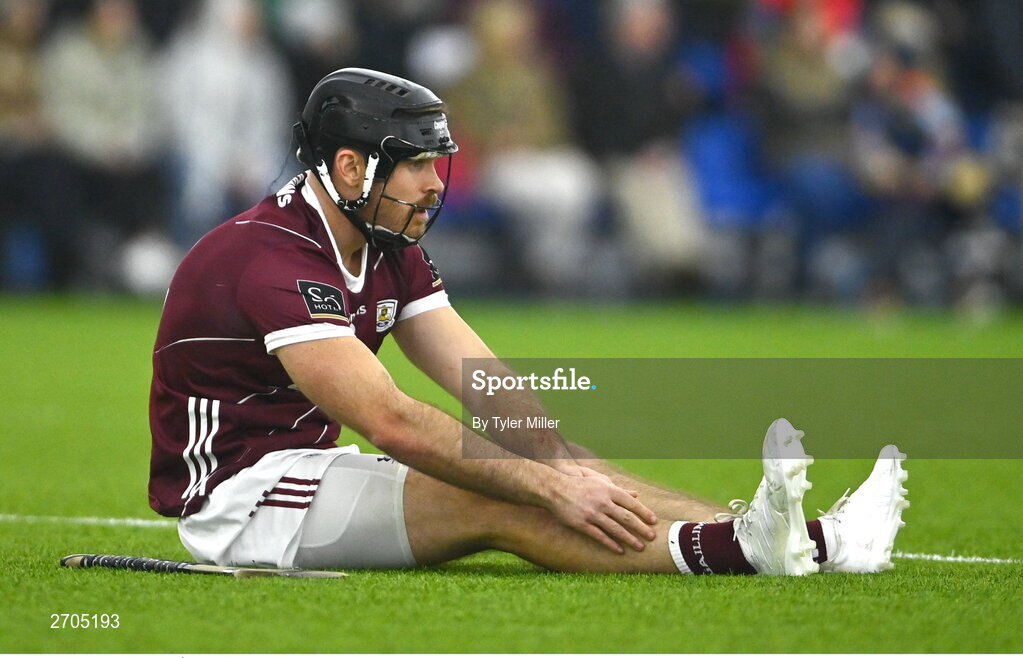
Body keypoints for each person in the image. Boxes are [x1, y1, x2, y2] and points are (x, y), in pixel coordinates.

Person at [148, 67, 909, 576]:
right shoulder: (271, 255)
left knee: (551, 460)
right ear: (350, 168)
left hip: (311, 474)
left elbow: (482, 383)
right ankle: (734, 552)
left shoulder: (385, 239)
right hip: (241, 499)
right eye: (413, 163)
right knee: (498, 494)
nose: (431, 183)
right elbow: (391, 421)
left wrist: (553, 461)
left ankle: (804, 542)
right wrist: (543, 489)